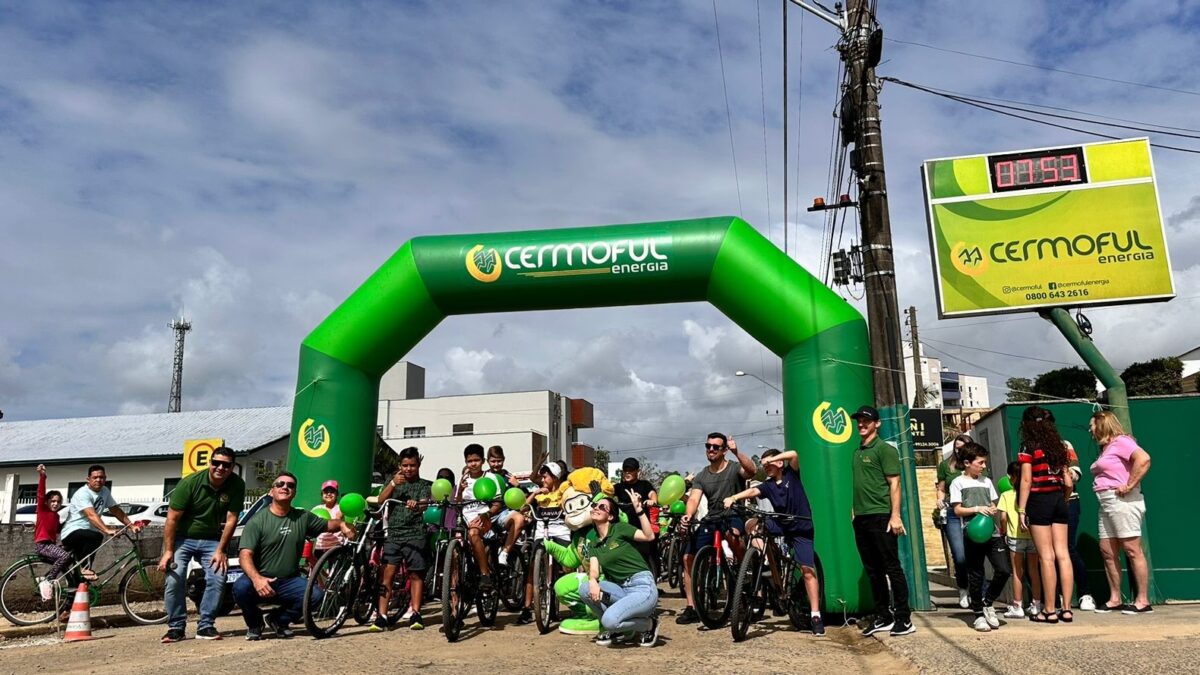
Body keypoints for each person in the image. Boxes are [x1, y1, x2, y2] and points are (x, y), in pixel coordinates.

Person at [233, 472, 355, 640]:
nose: (285, 487)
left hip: (288, 580)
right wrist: (257, 579)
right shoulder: (257, 521)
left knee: (316, 596)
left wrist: (342, 524)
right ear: (272, 491)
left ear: (294, 492)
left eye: (290, 485)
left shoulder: (302, 517)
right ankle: (255, 624)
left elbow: (328, 525)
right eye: (280, 484)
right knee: (240, 588)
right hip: (261, 579)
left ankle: (279, 620)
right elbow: (245, 555)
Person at [723, 449, 824, 636]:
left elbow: (794, 454)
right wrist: (734, 498)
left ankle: (816, 614)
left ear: (779, 463)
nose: (765, 466)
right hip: (780, 523)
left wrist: (773, 458)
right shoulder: (768, 486)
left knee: (807, 571)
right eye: (763, 464)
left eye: (769, 463)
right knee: (754, 523)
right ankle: (768, 558)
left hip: (801, 526)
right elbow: (753, 490)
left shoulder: (791, 475)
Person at [159, 446, 246, 643]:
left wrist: (221, 550)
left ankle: (206, 625)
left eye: (225, 465)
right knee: (174, 578)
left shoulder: (236, 485)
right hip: (183, 538)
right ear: (210, 463)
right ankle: (176, 627)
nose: (220, 468)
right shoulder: (190, 483)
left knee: (218, 576)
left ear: (232, 467)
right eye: (216, 463)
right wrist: (168, 551)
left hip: (212, 540)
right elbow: (172, 519)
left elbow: (232, 519)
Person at [676, 432, 755, 625]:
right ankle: (692, 607)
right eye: (708, 446)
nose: (710, 449)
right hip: (712, 518)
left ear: (724, 450)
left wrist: (737, 452)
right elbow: (694, 498)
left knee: (734, 536)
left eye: (715, 447)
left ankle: (743, 569)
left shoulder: (735, 468)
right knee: (688, 557)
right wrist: (688, 514)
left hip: (734, 514)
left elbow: (752, 471)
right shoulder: (702, 475)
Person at [850, 405, 914, 637]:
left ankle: (904, 618)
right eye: (859, 420)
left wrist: (895, 515)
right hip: (862, 518)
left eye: (866, 420)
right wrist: (854, 510)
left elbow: (894, 484)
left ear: (877, 424)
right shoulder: (858, 451)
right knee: (873, 570)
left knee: (891, 568)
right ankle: (883, 616)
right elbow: (861, 485)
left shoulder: (884, 449)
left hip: (881, 516)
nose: (861, 424)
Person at [1088, 410, 1152, 614]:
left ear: (1102, 424)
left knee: (1132, 549)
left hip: (1122, 501)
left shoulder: (1121, 441)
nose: (1090, 428)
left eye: (1092, 424)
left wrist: (1129, 484)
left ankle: (1142, 600)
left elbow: (1144, 459)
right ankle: (1115, 598)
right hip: (1105, 502)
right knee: (1107, 551)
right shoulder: (1106, 448)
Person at [1017, 406, 1075, 623]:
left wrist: (1021, 509)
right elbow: (1068, 481)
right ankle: (1067, 609)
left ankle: (1049, 609)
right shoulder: (1060, 447)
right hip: (1059, 499)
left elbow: (1025, 480)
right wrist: (1065, 498)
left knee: (1046, 557)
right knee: (1063, 554)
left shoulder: (1028, 446)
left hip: (1039, 501)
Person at [580, 493, 659, 647]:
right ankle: (619, 628)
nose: (596, 508)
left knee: (609, 621)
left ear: (610, 516)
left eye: (602, 506)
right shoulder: (593, 540)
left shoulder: (620, 529)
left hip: (641, 587)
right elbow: (594, 569)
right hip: (621, 589)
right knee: (585, 589)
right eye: (595, 506)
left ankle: (649, 624)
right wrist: (592, 581)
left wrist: (639, 511)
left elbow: (649, 536)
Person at [949, 442, 1011, 632]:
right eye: (981, 462)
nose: (984, 466)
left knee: (1003, 570)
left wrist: (992, 509)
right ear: (967, 463)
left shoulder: (986, 481)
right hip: (972, 533)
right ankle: (978, 615)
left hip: (991, 532)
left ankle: (987, 602)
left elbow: (993, 503)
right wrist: (976, 509)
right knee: (976, 574)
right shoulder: (958, 482)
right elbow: (957, 509)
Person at [373, 446, 432, 631]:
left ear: (418, 464)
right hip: (394, 535)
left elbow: (424, 504)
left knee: (416, 574)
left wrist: (417, 505)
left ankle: (415, 613)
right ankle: (381, 616)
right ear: (400, 465)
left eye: (412, 465)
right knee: (387, 575)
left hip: (416, 535)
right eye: (405, 465)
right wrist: (392, 484)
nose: (408, 469)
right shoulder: (393, 482)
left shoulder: (423, 485)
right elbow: (381, 501)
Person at [60, 465, 141, 580]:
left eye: (101, 477)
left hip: (87, 535)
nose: (98, 480)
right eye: (95, 477)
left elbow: (115, 509)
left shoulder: (105, 491)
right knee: (96, 536)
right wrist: (107, 530)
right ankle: (84, 569)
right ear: (88, 479)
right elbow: (91, 515)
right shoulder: (82, 493)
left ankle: (76, 588)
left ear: (105, 478)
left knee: (81, 578)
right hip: (72, 532)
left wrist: (130, 525)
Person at [517, 460, 572, 625]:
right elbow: (523, 508)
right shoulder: (540, 493)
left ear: (555, 477)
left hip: (561, 532)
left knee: (567, 566)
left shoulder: (564, 492)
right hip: (542, 532)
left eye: (546, 476)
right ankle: (526, 609)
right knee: (533, 567)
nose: (543, 478)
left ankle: (574, 603)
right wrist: (535, 493)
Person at [997, 461, 1041, 619]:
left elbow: (1002, 517)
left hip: (1015, 536)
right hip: (1032, 535)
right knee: (1034, 571)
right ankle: (1036, 604)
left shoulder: (1006, 495)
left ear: (1010, 477)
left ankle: (1017, 605)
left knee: (1017, 572)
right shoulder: (1031, 493)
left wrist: (1004, 530)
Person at [458, 443, 503, 591]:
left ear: (483, 461)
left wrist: (486, 515)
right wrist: (460, 491)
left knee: (473, 533)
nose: (473, 464)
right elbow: (457, 503)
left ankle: (485, 575)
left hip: (483, 518)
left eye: (476, 460)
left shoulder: (490, 477)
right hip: (464, 519)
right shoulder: (464, 479)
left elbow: (497, 504)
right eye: (469, 461)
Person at [935, 434, 973, 609]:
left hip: (973, 511)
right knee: (959, 554)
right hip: (952, 511)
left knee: (974, 553)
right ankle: (963, 588)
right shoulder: (946, 465)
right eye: (956, 447)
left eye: (962, 447)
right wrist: (939, 500)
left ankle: (977, 590)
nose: (959, 450)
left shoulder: (976, 464)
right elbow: (941, 488)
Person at [613, 457, 659, 570]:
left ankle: (654, 576)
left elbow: (652, 494)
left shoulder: (644, 484)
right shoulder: (619, 487)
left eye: (631, 470)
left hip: (642, 529)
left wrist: (652, 501)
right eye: (625, 470)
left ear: (638, 471)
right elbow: (607, 491)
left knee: (649, 554)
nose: (627, 472)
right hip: (624, 529)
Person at [487, 445, 526, 568]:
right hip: (485, 515)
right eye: (493, 461)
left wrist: (517, 486)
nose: (496, 464)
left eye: (499, 461)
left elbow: (524, 498)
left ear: (504, 460)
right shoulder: (483, 477)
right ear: (487, 461)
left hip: (503, 515)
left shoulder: (509, 477)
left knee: (519, 519)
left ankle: (504, 553)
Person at [33, 465, 70, 583]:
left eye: (58, 502)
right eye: (52, 501)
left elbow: (58, 530)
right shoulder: (42, 510)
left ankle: (45, 577)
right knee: (64, 556)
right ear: (47, 502)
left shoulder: (57, 516)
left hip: (51, 545)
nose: (55, 504)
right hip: (43, 545)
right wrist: (42, 476)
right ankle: (48, 580)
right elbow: (40, 494)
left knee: (70, 555)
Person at [311, 480, 345, 560]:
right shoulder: (317, 509)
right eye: (326, 492)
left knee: (334, 572)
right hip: (320, 546)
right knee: (316, 571)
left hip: (336, 547)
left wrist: (339, 517)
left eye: (332, 491)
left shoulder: (341, 508)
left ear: (336, 494)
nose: (329, 494)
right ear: (322, 494)